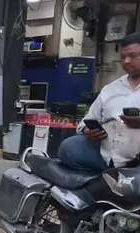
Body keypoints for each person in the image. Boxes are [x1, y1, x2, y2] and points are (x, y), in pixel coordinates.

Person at [57, 32, 140, 173]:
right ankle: (108, 176)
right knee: (69, 147)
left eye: (132, 56)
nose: (126, 61)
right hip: (106, 156)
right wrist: (88, 131)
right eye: (122, 57)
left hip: (136, 162)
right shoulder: (110, 89)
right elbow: (87, 121)